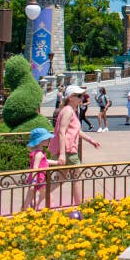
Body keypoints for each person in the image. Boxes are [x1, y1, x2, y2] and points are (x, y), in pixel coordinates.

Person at [49, 85, 101, 215]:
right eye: (79, 96)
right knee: (76, 178)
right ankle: (79, 206)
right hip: (68, 150)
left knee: (61, 179)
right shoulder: (67, 110)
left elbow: (77, 131)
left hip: (69, 149)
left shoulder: (72, 110)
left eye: (82, 96)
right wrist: (62, 154)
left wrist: (91, 140)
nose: (82, 98)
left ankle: (40, 196)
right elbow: (62, 132)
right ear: (70, 98)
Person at [22, 127, 57, 210]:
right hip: (39, 179)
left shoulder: (38, 153)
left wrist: (56, 162)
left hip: (39, 179)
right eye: (46, 138)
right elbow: (35, 168)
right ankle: (50, 214)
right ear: (40, 141)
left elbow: (44, 161)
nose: (49, 140)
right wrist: (34, 181)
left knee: (29, 199)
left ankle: (24, 211)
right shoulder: (38, 154)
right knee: (49, 198)